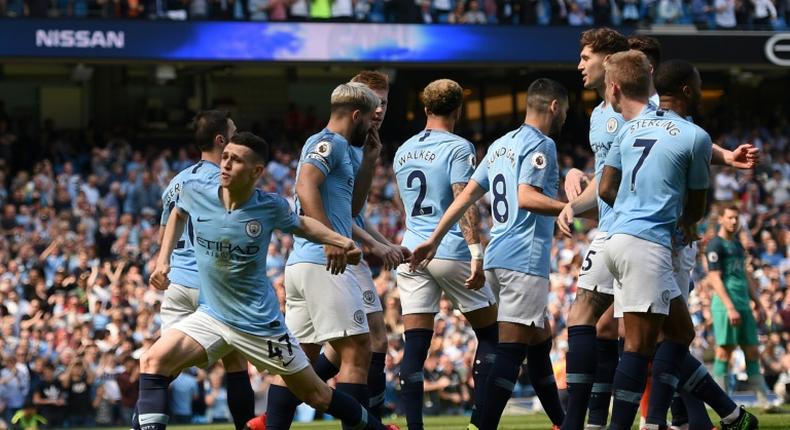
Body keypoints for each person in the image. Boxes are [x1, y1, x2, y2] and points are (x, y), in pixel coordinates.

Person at [140, 131, 394, 430]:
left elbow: (303, 225)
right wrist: (163, 259)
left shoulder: (269, 206)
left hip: (260, 324)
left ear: (257, 171)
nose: (225, 165)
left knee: (316, 394)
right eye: (225, 158)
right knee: (153, 361)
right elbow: (178, 213)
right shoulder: (195, 191)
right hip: (211, 315)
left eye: (236, 160)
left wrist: (341, 241)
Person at [596, 50, 756, 430]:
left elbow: (605, 187)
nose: (702, 91)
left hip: (616, 239)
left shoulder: (629, 127)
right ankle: (628, 426)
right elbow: (698, 206)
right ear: (687, 90)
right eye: (700, 86)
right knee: (637, 346)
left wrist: (630, 210)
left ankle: (726, 417)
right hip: (648, 244)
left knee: (681, 333)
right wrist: (683, 223)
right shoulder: (695, 136)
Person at [411, 78, 570, 430]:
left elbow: (465, 196)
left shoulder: (501, 144)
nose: (565, 117)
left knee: (539, 342)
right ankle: (480, 425)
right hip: (524, 257)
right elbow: (526, 196)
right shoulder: (542, 144)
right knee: (510, 350)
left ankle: (562, 422)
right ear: (555, 106)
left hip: (497, 257)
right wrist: (568, 207)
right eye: (566, 110)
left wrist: (434, 239)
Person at [263, 82, 383, 430]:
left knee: (297, 363)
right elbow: (304, 185)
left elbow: (354, 206)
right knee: (358, 349)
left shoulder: (343, 148)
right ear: (356, 115)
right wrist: (332, 238)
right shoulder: (328, 142)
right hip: (324, 263)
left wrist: (370, 161)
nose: (373, 123)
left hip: (307, 263)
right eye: (369, 117)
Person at [654, 58, 761, 429]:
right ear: (687, 88)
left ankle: (692, 417)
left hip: (659, 239)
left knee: (668, 334)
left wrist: (727, 157)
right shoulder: (657, 122)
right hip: (662, 237)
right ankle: (711, 415)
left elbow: (693, 141)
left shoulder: (646, 120)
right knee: (660, 335)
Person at [393, 79, 497, 430]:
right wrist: (475, 252)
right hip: (448, 248)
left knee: (415, 349)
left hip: (411, 251)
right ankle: (479, 423)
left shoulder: (403, 150)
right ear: (458, 110)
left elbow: (401, 203)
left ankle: (415, 428)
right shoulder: (458, 147)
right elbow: (463, 199)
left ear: (425, 109)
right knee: (492, 335)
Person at [143, 110, 255, 430]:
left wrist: (161, 263)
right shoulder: (224, 179)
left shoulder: (177, 181)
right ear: (221, 140)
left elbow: (169, 227)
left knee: (160, 370)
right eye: (234, 133)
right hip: (210, 285)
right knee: (235, 362)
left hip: (176, 283)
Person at [555, 28, 629, 430]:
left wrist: (572, 205)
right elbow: (605, 179)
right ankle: (592, 422)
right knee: (594, 322)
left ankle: (716, 413)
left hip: (645, 231)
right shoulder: (600, 114)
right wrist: (576, 181)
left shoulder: (638, 108)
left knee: (662, 335)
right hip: (611, 229)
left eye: (586, 57)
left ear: (608, 59)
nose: (579, 65)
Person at [706, 205, 776, 410]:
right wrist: (729, 307)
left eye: (737, 218)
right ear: (721, 219)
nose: (734, 222)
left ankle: (765, 401)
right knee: (724, 352)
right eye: (730, 218)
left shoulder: (737, 245)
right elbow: (714, 278)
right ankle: (719, 402)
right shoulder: (715, 245)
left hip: (743, 304)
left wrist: (758, 302)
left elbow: (744, 275)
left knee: (752, 350)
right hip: (725, 306)